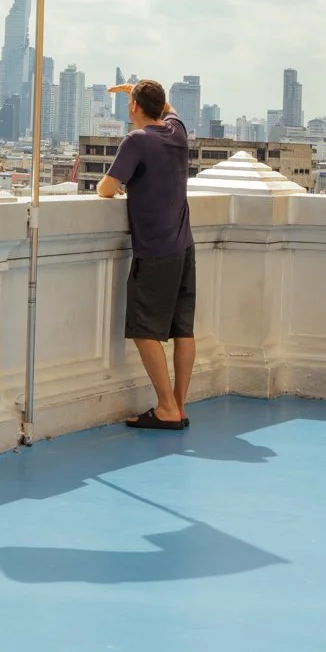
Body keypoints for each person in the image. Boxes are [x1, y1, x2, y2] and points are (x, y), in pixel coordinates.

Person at [98, 79, 193, 430]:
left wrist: (136, 91)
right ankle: (178, 406)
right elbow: (171, 111)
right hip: (184, 244)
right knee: (183, 329)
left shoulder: (137, 140)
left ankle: (167, 407)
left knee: (143, 330)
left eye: (131, 102)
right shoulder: (177, 133)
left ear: (134, 107)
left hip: (155, 249)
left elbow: (107, 189)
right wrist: (141, 90)